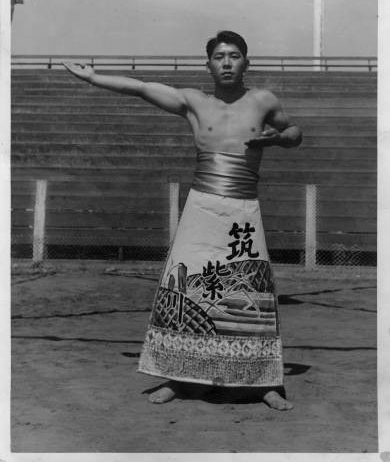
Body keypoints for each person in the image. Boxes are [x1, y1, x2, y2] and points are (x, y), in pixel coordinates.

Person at [64, 30, 302, 410]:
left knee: (251, 292)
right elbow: (141, 87)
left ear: (247, 62)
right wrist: (94, 78)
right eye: (220, 56)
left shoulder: (263, 101)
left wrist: (277, 140)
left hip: (242, 209)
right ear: (208, 64)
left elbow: (294, 132)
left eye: (235, 55)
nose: (227, 62)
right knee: (186, 290)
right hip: (202, 208)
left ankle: (263, 383)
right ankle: (179, 379)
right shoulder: (193, 102)